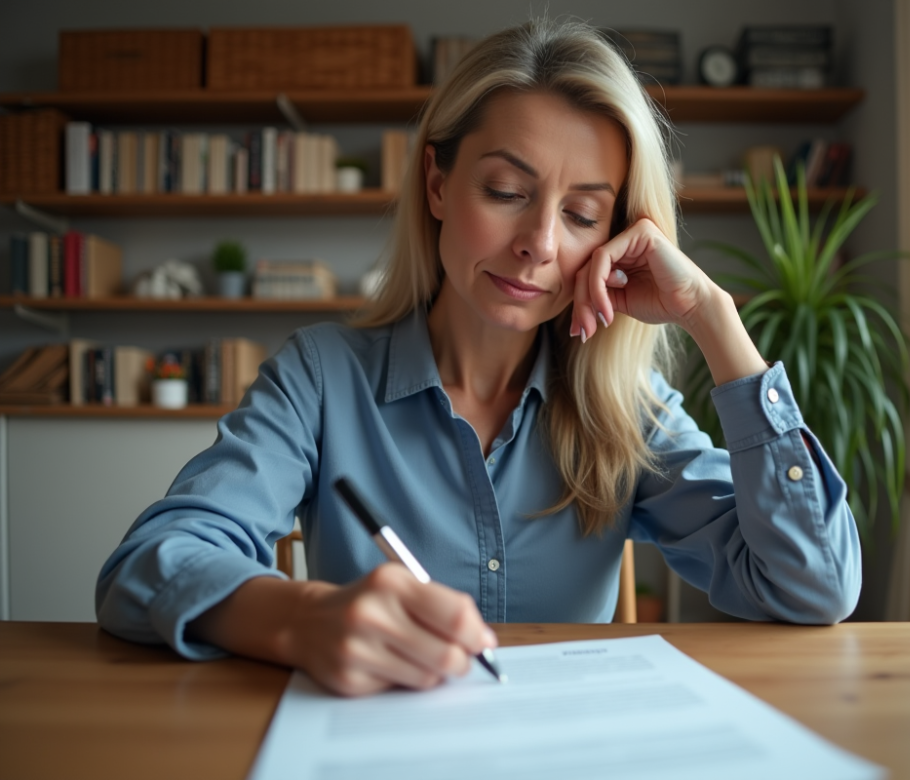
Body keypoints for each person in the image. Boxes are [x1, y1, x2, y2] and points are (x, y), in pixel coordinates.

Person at [95, 18, 862, 697]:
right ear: (436, 182)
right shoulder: (322, 377)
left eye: (583, 214)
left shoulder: (627, 407)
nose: (540, 243)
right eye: (505, 190)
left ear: (617, 238)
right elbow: (151, 564)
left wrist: (713, 318)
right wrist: (304, 618)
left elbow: (814, 587)